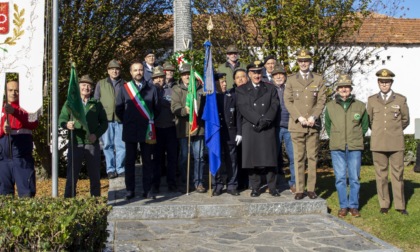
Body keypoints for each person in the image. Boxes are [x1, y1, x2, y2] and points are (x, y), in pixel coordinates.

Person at [284, 49, 327, 200]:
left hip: (313, 125)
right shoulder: (291, 80)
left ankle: (311, 189)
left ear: (310, 62)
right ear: (297, 63)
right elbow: (288, 101)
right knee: (299, 157)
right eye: (301, 61)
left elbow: (321, 100)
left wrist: (314, 116)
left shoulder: (318, 79)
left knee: (312, 157)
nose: (303, 63)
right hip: (297, 125)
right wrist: (299, 117)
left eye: (306, 61)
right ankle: (300, 189)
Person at [324, 74, 369, 218]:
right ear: (337, 89)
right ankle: (343, 205)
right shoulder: (330, 106)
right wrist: (337, 137)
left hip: (354, 146)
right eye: (341, 87)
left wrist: (354, 137)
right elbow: (328, 125)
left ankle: (353, 206)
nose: (344, 89)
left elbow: (364, 126)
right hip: (337, 147)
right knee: (340, 178)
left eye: (347, 87)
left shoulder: (360, 105)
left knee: (355, 178)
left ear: (350, 89)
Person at [367, 68, 410, 215]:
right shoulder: (371, 100)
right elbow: (370, 121)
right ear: (378, 83)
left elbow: (405, 120)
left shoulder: (400, 99)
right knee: (381, 175)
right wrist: (381, 132)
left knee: (398, 175)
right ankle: (384, 204)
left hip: (396, 143)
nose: (384, 84)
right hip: (378, 143)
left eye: (387, 82)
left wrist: (394, 131)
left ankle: (400, 205)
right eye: (381, 82)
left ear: (391, 82)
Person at [116, 60, 159, 200]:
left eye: (140, 70)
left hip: (147, 130)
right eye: (135, 70)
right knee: (130, 162)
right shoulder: (124, 88)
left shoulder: (151, 88)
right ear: (130, 72)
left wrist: (148, 121)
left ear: (144, 71)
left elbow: (156, 109)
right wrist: (129, 120)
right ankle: (130, 190)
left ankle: (147, 190)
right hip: (130, 129)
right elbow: (119, 109)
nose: (138, 72)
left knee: (148, 161)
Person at [59, 75, 108, 198]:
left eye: (88, 85)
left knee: (94, 175)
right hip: (76, 142)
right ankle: (68, 202)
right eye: (83, 85)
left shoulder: (96, 104)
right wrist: (66, 124)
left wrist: (96, 135)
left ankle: (95, 202)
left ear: (92, 88)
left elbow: (104, 123)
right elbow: (61, 119)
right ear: (78, 86)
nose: (86, 87)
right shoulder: (71, 103)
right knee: (72, 175)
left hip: (92, 144)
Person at [236, 60, 280, 197]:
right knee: (252, 160)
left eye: (259, 72)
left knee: (270, 159)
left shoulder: (270, 88)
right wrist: (258, 120)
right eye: (254, 73)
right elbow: (244, 108)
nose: (257, 75)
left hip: (267, 127)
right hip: (251, 127)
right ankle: (255, 187)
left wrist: (266, 120)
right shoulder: (241, 89)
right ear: (249, 74)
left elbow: (274, 106)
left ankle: (272, 187)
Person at [171, 63, 206, 193]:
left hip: (199, 128)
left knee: (199, 157)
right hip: (184, 128)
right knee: (185, 157)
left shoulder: (200, 89)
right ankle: (185, 182)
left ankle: (199, 182)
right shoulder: (176, 89)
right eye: (184, 74)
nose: (186, 76)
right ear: (181, 76)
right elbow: (174, 107)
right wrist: (184, 110)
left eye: (188, 74)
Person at [0, 80, 39, 197]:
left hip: (22, 158)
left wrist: (15, 112)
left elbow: (33, 123)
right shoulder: (1, 110)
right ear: (5, 92)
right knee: (4, 195)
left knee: (26, 193)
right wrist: (2, 129)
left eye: (16, 90)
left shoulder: (29, 107)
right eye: (10, 90)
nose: (13, 93)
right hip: (3, 158)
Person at [94, 59, 126, 179]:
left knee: (121, 145)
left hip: (120, 119)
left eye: (117, 69)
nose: (114, 71)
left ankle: (121, 168)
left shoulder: (125, 84)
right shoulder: (101, 83)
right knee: (107, 145)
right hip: (106, 119)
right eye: (112, 69)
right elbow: (96, 101)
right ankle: (110, 169)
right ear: (108, 71)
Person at [211, 73, 242, 196]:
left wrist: (239, 132)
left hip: (230, 132)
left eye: (225, 82)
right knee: (217, 159)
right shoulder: (211, 99)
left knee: (232, 160)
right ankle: (217, 185)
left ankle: (232, 185)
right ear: (215, 84)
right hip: (216, 133)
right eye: (221, 82)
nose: (224, 84)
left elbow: (238, 116)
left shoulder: (232, 96)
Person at [151, 66, 178, 193]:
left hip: (171, 127)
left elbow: (174, 106)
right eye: (156, 78)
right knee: (157, 159)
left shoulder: (171, 90)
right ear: (152, 80)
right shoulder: (150, 92)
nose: (159, 80)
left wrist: (163, 103)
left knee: (172, 158)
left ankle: (171, 183)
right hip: (156, 129)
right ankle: (155, 184)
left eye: (161, 77)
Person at [271, 64, 296, 193]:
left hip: (290, 125)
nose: (279, 77)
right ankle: (273, 183)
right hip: (274, 127)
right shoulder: (269, 88)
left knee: (293, 156)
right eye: (276, 75)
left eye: (281, 74)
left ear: (285, 77)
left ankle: (294, 183)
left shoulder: (290, 88)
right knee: (273, 156)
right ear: (272, 77)